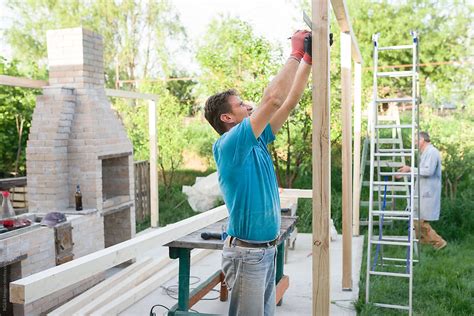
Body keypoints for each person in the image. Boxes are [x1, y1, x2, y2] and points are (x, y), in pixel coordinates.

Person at [204, 30, 313, 315]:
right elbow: (273, 100)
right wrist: (295, 53)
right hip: (247, 255)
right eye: (241, 104)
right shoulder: (230, 145)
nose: (248, 104)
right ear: (227, 118)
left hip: (265, 250)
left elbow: (288, 101)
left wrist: (309, 60)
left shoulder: (258, 139)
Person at [397, 131, 447, 250]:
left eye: (415, 140)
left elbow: (428, 171)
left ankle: (439, 242)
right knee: (417, 218)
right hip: (424, 190)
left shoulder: (432, 152)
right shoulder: (425, 153)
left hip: (428, 191)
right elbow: (420, 172)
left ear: (422, 140)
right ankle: (425, 245)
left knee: (419, 219)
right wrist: (406, 173)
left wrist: (409, 169)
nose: (414, 143)